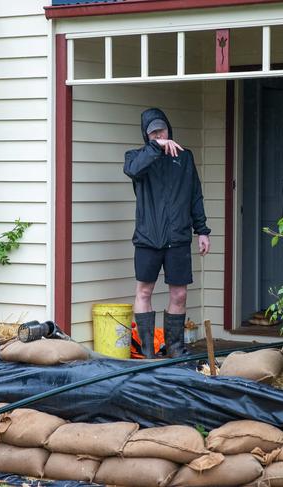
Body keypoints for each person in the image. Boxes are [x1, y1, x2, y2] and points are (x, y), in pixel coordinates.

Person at [124, 108, 211, 359]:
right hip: (148, 238)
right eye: (153, 133)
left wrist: (202, 231)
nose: (159, 135)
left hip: (178, 237)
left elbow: (195, 196)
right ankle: (148, 351)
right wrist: (156, 148)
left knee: (180, 294)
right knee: (144, 292)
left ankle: (175, 348)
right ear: (146, 135)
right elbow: (133, 170)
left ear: (169, 128)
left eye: (162, 130)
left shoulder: (184, 158)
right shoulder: (136, 157)